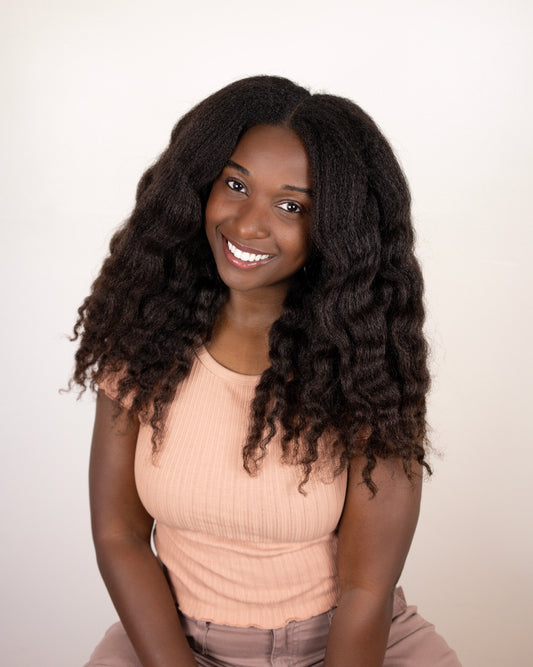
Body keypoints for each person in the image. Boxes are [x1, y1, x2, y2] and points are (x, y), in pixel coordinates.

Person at [72, 75, 461, 666]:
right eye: (235, 184)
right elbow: (119, 537)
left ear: (336, 228)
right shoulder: (142, 339)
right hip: (172, 645)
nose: (249, 224)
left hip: (349, 643)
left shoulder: (366, 368)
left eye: (290, 205)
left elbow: (367, 588)